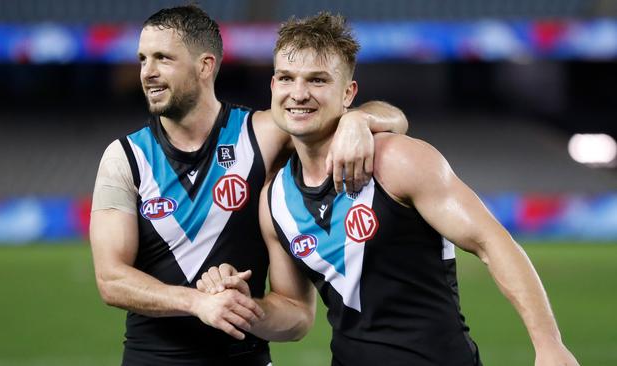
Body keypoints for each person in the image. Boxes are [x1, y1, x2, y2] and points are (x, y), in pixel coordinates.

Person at [197, 12, 580, 366]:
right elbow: (295, 312)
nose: (298, 93)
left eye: (317, 80)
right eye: (286, 78)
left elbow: (491, 242)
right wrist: (248, 309)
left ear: (348, 94)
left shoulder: (396, 161)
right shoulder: (274, 199)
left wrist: (548, 343)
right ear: (273, 85)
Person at [89, 5, 407, 366]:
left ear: (205, 66)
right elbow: (110, 279)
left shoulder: (261, 134)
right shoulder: (125, 158)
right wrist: (197, 302)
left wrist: (359, 119)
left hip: (246, 356)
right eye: (143, 59)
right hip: (153, 359)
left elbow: (395, 118)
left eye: (163, 58)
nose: (148, 72)